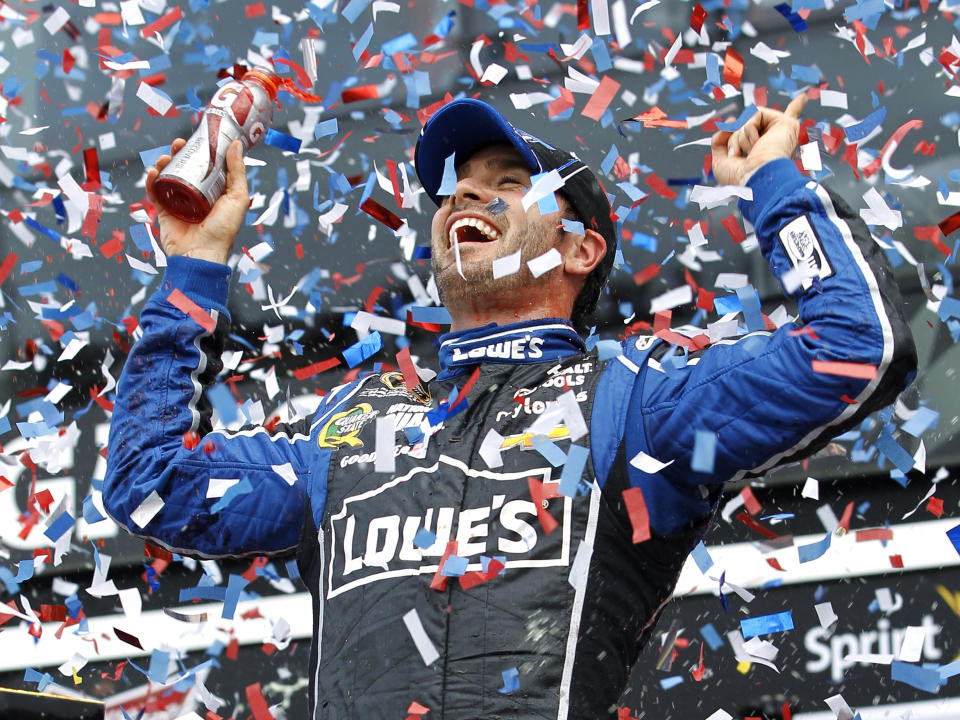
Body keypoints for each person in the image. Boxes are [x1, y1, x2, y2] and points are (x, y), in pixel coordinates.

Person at [103, 94, 916, 719]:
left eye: (509, 184)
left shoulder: (632, 403)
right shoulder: (352, 432)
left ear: (580, 248)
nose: (467, 199)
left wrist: (773, 180)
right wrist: (196, 265)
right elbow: (152, 480)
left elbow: (853, 344)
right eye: (455, 189)